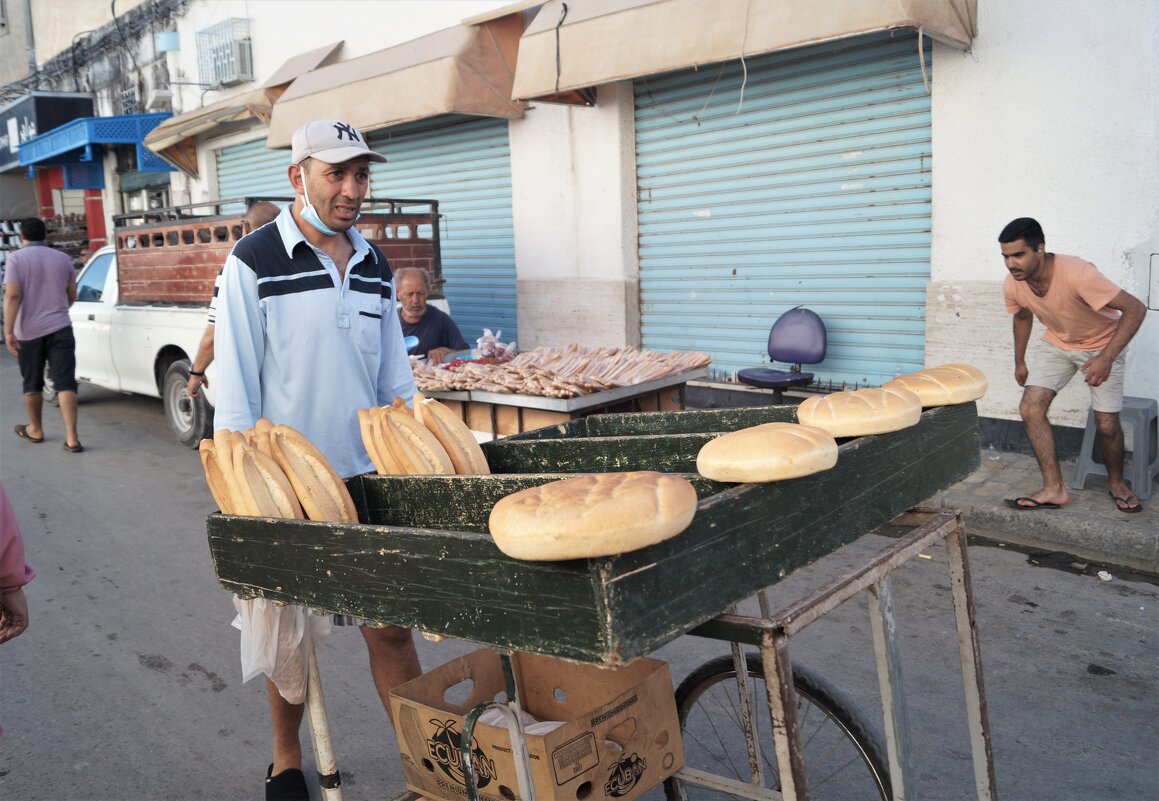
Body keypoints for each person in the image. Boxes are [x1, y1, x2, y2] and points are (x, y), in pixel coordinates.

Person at [212, 120, 421, 801]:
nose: (352, 188)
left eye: (361, 174)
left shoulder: (374, 265)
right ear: (296, 175)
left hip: (366, 477)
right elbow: (236, 385)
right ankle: (286, 761)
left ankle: (425, 767)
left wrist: (413, 463)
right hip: (286, 481)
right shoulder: (254, 259)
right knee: (287, 633)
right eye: (337, 173)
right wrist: (245, 490)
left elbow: (396, 385)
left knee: (389, 627)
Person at [1000, 217, 1147, 513]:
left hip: (1103, 343)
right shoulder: (1014, 284)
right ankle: (1054, 489)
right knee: (1030, 407)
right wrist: (1019, 360)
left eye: (1018, 255)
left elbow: (1135, 309)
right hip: (1057, 344)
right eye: (1005, 256)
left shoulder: (1077, 273)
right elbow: (1022, 316)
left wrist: (1106, 358)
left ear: (1039, 249)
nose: (1011, 264)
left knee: (1107, 425)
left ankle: (1117, 483)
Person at [186, 201, 281, 398]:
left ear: (245, 227)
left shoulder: (238, 267)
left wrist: (197, 371)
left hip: (260, 391)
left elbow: (213, 333)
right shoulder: (300, 264)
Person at [3, 217, 83, 453]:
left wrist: (8, 331)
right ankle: (72, 438)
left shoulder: (15, 259)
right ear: (45, 235)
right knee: (65, 382)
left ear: (21, 237)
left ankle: (36, 430)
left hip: (28, 331)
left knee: (32, 382)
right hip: (61, 327)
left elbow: (13, 295)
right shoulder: (63, 258)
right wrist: (59, 309)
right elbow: (71, 293)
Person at [396, 266, 469, 364]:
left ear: (427, 292)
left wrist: (446, 352)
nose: (415, 300)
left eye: (420, 293)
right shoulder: (388, 322)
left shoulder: (441, 320)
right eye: (409, 294)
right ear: (398, 294)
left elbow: (467, 354)